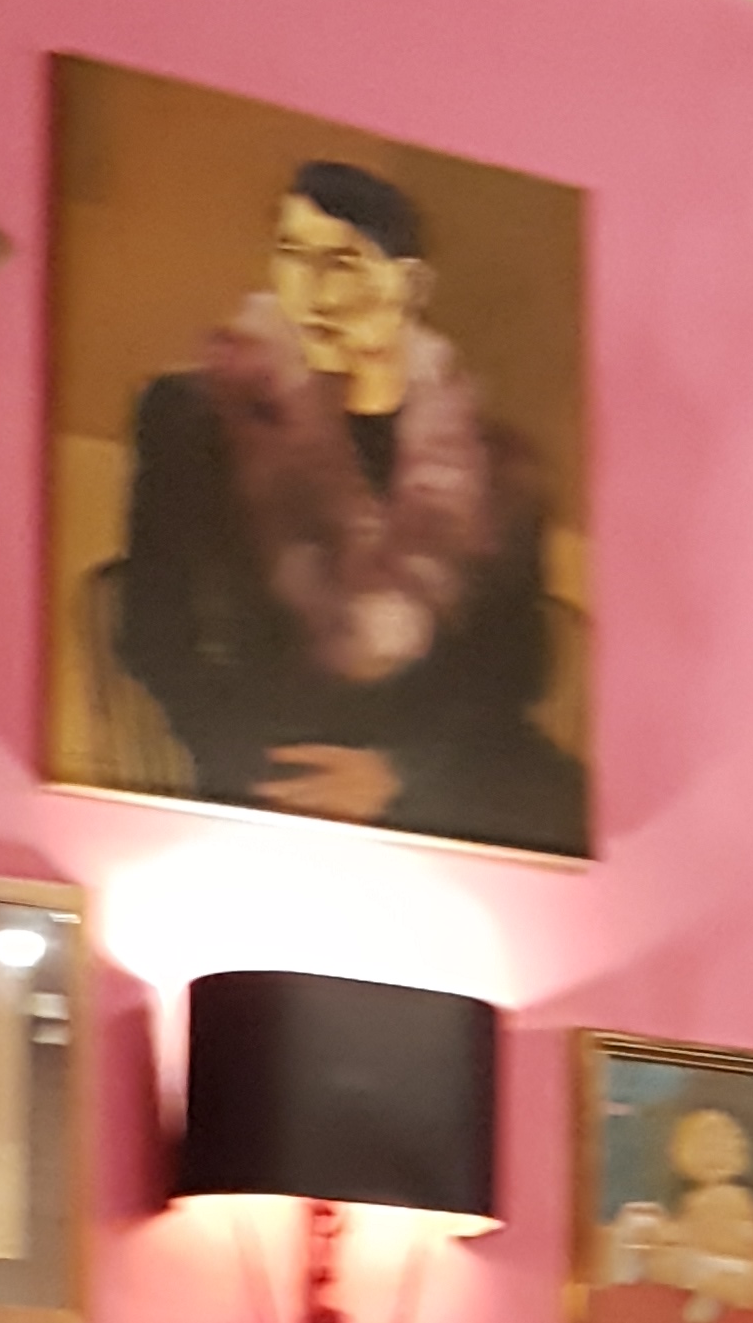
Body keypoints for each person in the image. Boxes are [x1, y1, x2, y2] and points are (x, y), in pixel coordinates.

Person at [108, 160, 586, 856]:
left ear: (410, 286)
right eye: (292, 254)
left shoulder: (498, 465)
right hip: (266, 766)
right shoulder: (195, 420)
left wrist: (400, 773)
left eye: (343, 261)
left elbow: (514, 667)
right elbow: (154, 631)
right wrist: (273, 776)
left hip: (443, 772)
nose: (311, 288)